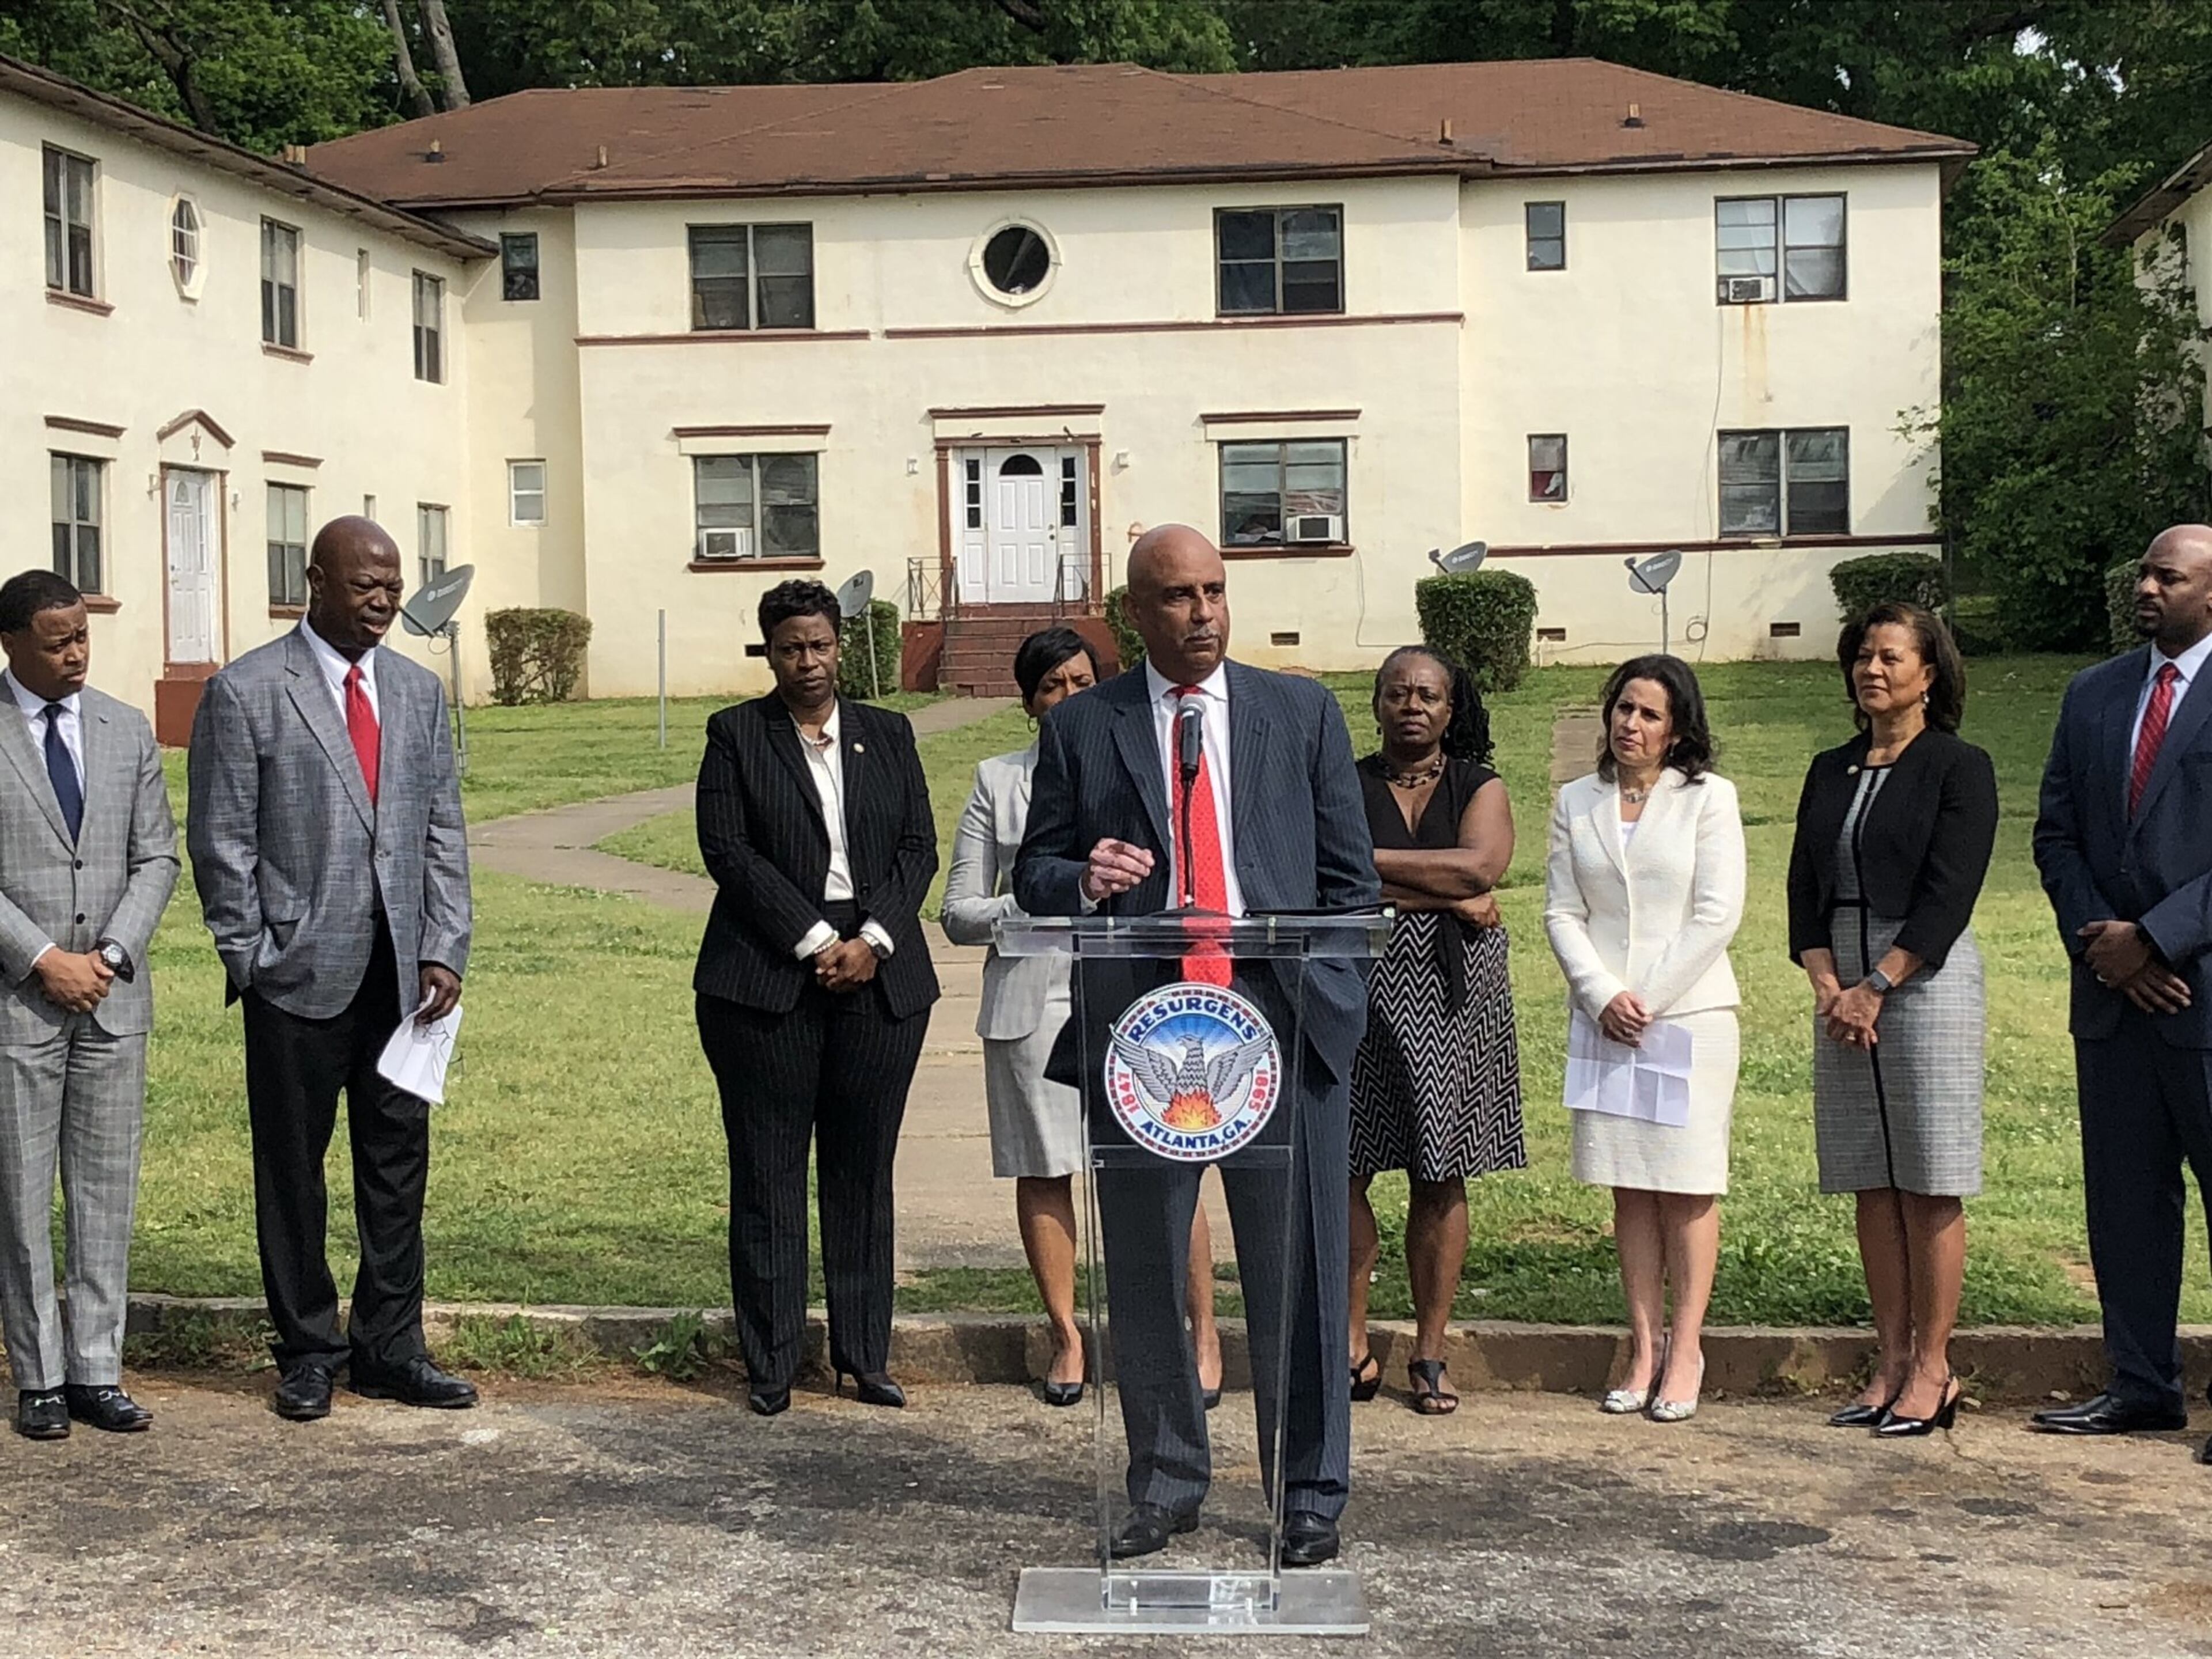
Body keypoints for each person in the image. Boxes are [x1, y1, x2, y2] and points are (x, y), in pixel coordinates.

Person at [1014, 524, 1378, 1569]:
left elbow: (1351, 889)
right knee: (1141, 1266)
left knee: (1294, 1269)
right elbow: (1036, 871)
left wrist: (1331, 1000)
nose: (1205, 612)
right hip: (1145, 1038)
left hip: (1279, 1030)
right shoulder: (1086, 726)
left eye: (1216, 590)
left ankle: (1305, 1491)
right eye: (1178, 596)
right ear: (1137, 612)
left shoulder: (1298, 712)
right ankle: (1166, 1479)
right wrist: (1084, 876)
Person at [187, 517, 474, 1422]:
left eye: (393, 585)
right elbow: (221, 839)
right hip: (296, 980)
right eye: (366, 585)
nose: (385, 600)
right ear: (315, 582)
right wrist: (254, 954)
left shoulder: (418, 693)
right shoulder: (246, 692)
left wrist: (444, 944)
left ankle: (392, 1349)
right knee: (294, 1173)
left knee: (397, 1170)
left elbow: (442, 830)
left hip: (403, 983)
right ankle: (310, 1347)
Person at [941, 627, 1222, 1410]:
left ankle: (1198, 1334)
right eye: (1052, 686)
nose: (1069, 697)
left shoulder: (1146, 763)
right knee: (1046, 1168)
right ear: (1030, 704)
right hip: (1032, 998)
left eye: (1081, 680)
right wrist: (1047, 896)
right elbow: (958, 913)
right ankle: (1068, 1336)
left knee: (1169, 1168)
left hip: (1135, 995)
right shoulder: (1000, 782)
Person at [694, 579, 939, 1418]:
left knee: (861, 1171)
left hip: (881, 974)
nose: (809, 662)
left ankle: (863, 1355)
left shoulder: (888, 734)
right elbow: (728, 852)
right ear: (770, 653)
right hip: (767, 978)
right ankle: (770, 1359)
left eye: (821, 645)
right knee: (767, 1172)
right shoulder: (735, 736)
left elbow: (918, 849)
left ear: (842, 646)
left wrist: (872, 943)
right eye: (791, 647)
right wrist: (813, 941)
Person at [1788, 604, 1997, 1438]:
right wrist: (1828, 981)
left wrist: (1878, 984)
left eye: (1890, 657)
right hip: (1840, 977)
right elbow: (1804, 883)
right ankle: (1889, 1361)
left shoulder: (1959, 766)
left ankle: (1935, 1368)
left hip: (1922, 974)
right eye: (1861, 657)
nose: (1871, 670)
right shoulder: (1829, 768)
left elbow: (1950, 895)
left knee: (1928, 1174)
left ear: (1929, 673)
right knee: (1870, 1176)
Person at [2032, 524, 2212, 1451]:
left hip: (2201, 995)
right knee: (2127, 1203)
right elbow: (2054, 833)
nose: (2146, 586)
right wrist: (2104, 944)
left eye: (2167, 576)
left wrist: (2157, 938)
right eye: (2142, 571)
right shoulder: (2094, 693)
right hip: (2112, 1001)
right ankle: (2141, 1385)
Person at [0, 571, 177, 1440]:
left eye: (82, 637)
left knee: (105, 1191)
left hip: (111, 1001)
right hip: (19, 1005)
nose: (76, 653)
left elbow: (158, 858)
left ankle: (97, 1371)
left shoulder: (125, 728)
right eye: (56, 641)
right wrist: (41, 959)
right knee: (22, 1195)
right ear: (11, 644)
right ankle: (38, 1375)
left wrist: (108, 955)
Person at [1543, 655, 1744, 1424]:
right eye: (1624, 708)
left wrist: (1648, 999)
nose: (1632, 725)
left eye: (1650, 714)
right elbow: (1562, 910)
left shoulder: (1709, 800)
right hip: (1605, 1021)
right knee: (1629, 1183)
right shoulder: (1577, 800)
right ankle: (1644, 1346)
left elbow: (1717, 914)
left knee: (1687, 1184)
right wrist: (1602, 996)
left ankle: (1688, 1347)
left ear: (1679, 728)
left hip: (1686, 1016)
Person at [1347, 646, 1522, 1418]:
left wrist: (1376, 870)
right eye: (1397, 693)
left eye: (1428, 694)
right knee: (1347, 1165)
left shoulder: (1479, 785)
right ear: (1378, 704)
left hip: (1454, 995)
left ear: (1452, 709)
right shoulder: (1344, 783)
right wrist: (1444, 892)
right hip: (1356, 987)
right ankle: (1349, 1343)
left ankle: (1429, 1351)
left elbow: (1479, 870)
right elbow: (1325, 878)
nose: (1411, 705)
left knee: (1439, 1168)